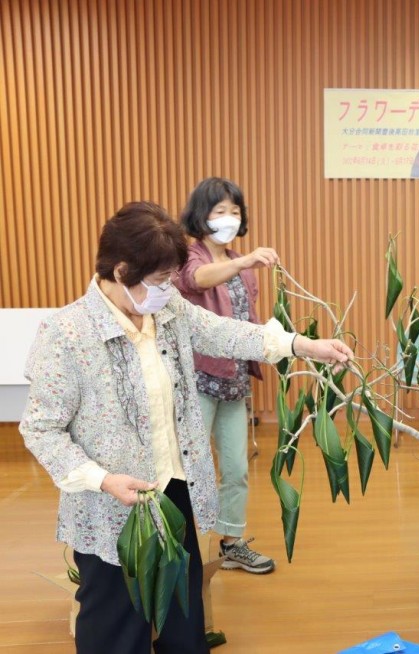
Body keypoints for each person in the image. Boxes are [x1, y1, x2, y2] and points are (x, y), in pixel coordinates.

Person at [19, 201, 353, 654]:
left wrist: (301, 344)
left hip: (174, 489)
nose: (168, 289)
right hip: (110, 505)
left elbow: (221, 331)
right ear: (120, 270)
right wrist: (102, 480)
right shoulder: (66, 332)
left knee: (183, 621)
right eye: (159, 280)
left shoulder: (167, 308)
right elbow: (41, 429)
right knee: (117, 627)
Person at [175, 177, 279, 574]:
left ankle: (232, 542)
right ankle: (180, 547)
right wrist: (243, 260)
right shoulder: (191, 257)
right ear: (201, 216)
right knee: (188, 469)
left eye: (235, 212)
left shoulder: (242, 268)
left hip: (234, 383)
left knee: (235, 468)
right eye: (220, 212)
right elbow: (196, 280)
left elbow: (244, 320)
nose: (229, 219)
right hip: (199, 382)